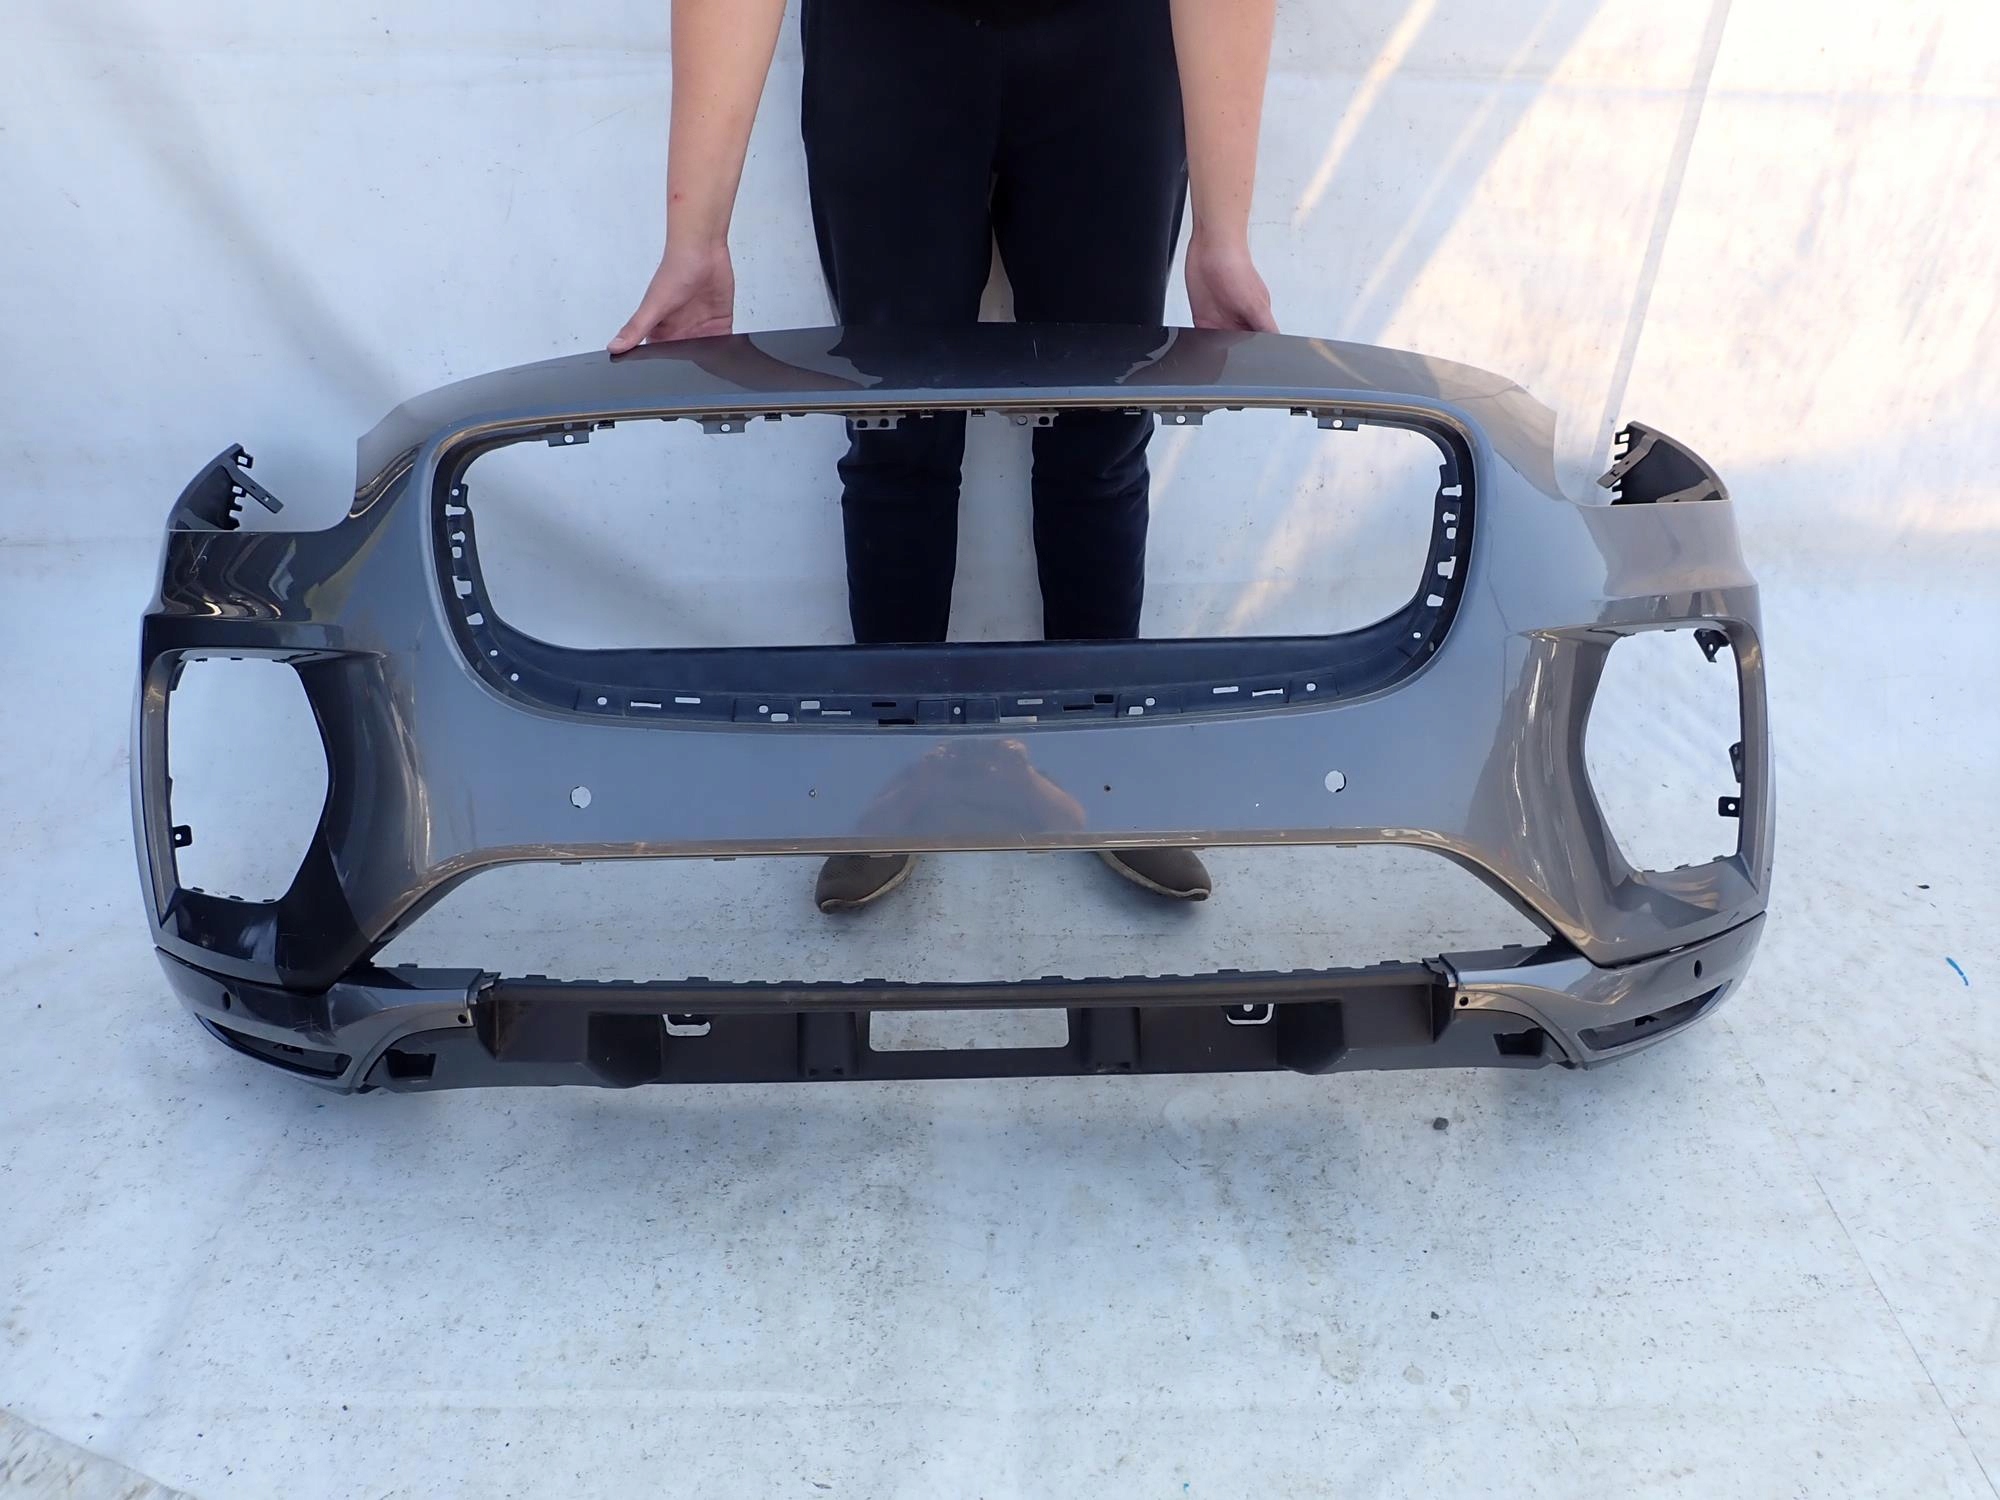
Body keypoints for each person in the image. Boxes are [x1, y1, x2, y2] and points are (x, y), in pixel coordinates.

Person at [611, 0, 1279, 913]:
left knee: (1100, 429)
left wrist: (1224, 232)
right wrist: (695, 239)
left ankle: (1102, 751)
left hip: (1113, 48)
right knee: (895, 428)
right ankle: (895, 754)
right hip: (890, 42)